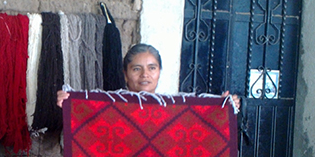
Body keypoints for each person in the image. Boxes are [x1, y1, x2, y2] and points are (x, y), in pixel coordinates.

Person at [57, 43, 241, 109]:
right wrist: (69, 101)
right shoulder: (109, 104)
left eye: (152, 68)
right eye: (136, 69)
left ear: (159, 71)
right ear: (126, 74)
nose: (145, 74)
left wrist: (222, 105)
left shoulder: (173, 107)